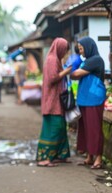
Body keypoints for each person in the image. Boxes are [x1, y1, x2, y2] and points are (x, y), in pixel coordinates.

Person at [70, 37, 106, 169]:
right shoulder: (86, 61)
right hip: (85, 99)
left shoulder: (96, 60)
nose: (80, 51)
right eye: (79, 49)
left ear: (89, 47)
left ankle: (98, 158)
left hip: (94, 99)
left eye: (81, 48)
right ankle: (89, 156)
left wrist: (67, 71)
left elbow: (77, 74)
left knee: (94, 128)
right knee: (85, 128)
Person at [36, 38, 72, 167]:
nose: (66, 53)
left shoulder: (54, 58)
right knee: (54, 128)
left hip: (55, 99)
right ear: (60, 48)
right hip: (52, 101)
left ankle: (60, 155)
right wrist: (65, 72)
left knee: (61, 126)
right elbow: (52, 78)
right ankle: (45, 158)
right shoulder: (52, 60)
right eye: (65, 50)